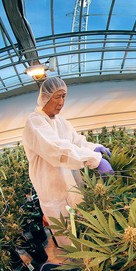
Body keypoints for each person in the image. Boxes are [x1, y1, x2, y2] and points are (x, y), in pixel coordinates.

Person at [22, 76, 114, 246]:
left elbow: (76, 141)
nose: (62, 101)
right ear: (46, 97)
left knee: (84, 236)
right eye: (58, 96)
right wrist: (95, 160)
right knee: (70, 244)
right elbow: (59, 151)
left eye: (64, 96)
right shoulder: (35, 123)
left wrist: (95, 148)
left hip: (73, 189)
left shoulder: (61, 122)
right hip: (54, 195)